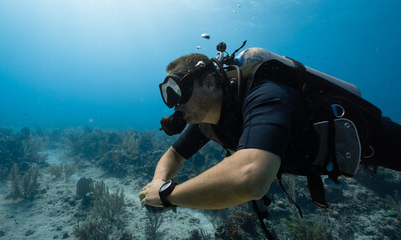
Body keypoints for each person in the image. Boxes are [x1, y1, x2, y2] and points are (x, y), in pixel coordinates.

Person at [138, 51, 401, 213]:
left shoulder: (264, 92)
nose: (176, 104)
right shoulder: (206, 120)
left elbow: (251, 178)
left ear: (208, 82)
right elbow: (173, 155)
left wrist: (167, 195)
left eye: (178, 91)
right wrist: (157, 182)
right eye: (168, 96)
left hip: (373, 138)